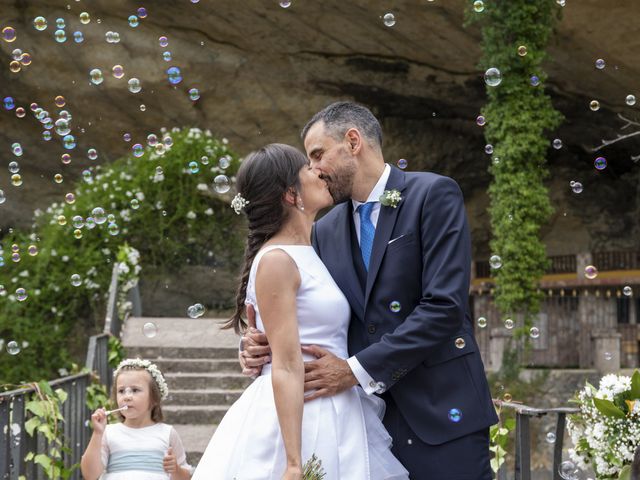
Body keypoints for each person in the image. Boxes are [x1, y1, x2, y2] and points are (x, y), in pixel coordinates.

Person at [241, 101, 499, 479]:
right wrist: (258, 342)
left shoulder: (433, 195)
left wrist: (354, 370)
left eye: (317, 154)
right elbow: (314, 310)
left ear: (353, 141)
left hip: (442, 411)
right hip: (364, 425)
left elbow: (443, 306)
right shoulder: (324, 231)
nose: (312, 170)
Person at [192, 143, 408, 479]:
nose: (318, 171)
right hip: (303, 415)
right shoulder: (278, 260)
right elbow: (287, 364)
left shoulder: (313, 249)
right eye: (308, 168)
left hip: (336, 405)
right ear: (291, 194)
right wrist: (294, 462)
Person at [81, 358, 193, 480]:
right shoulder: (108, 433)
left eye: (135, 390)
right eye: (121, 391)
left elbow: (186, 477)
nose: (127, 397)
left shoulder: (167, 433)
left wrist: (175, 469)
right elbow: (90, 475)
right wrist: (97, 433)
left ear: (154, 398)